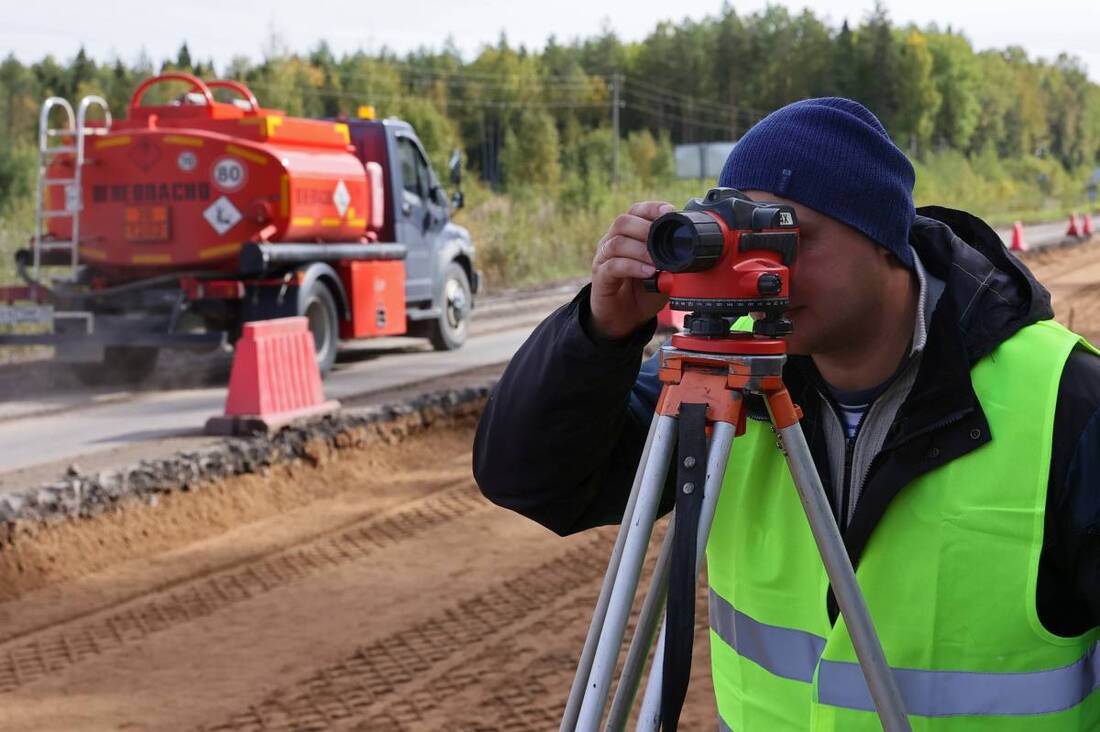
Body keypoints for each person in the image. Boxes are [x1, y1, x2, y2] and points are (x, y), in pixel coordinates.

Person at [473, 97, 1100, 730]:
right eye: (743, 242)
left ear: (881, 236)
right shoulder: (729, 378)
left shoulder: (1067, 404)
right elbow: (530, 478)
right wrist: (599, 332)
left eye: (787, 238)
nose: (762, 272)